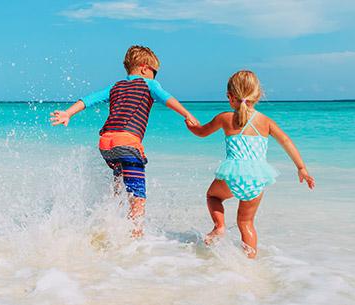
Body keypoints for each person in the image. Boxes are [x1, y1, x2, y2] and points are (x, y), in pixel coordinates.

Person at [50, 45, 198, 237]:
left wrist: (67, 113)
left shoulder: (115, 86)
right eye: (155, 73)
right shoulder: (149, 84)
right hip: (127, 141)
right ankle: (135, 236)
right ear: (145, 68)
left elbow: (89, 99)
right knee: (137, 196)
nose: (156, 78)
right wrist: (187, 114)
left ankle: (109, 222)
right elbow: (167, 99)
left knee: (119, 180)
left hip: (106, 142)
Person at [186, 70, 315, 258]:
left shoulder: (225, 118)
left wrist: (191, 126)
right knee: (246, 224)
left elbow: (201, 132)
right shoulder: (265, 121)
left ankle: (219, 226)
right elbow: (286, 141)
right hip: (257, 178)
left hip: (232, 175)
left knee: (213, 197)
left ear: (230, 97)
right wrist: (301, 168)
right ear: (258, 95)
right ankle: (250, 263)